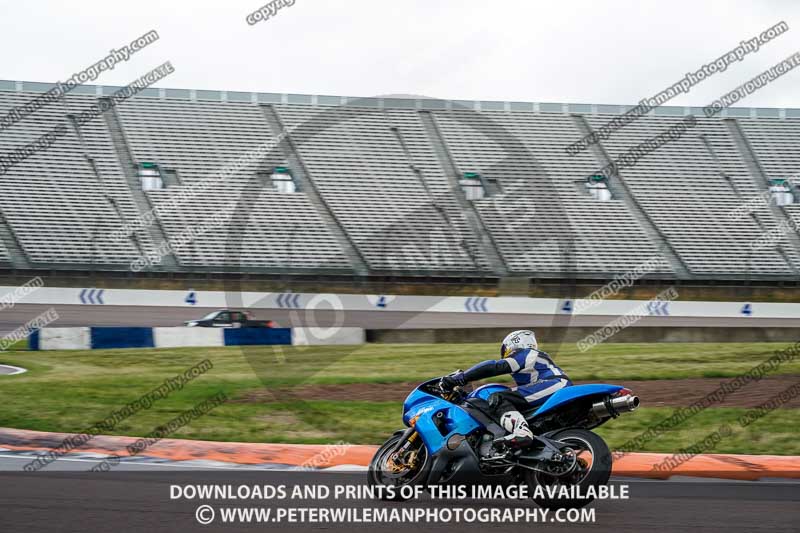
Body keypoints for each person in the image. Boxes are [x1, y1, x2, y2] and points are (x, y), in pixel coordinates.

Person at [440, 330, 572, 448]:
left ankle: (522, 432)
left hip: (555, 384)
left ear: (513, 344)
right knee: (511, 401)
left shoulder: (526, 353)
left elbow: (494, 367)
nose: (505, 353)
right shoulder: (533, 364)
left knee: (498, 397)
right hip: (554, 386)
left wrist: (462, 377)